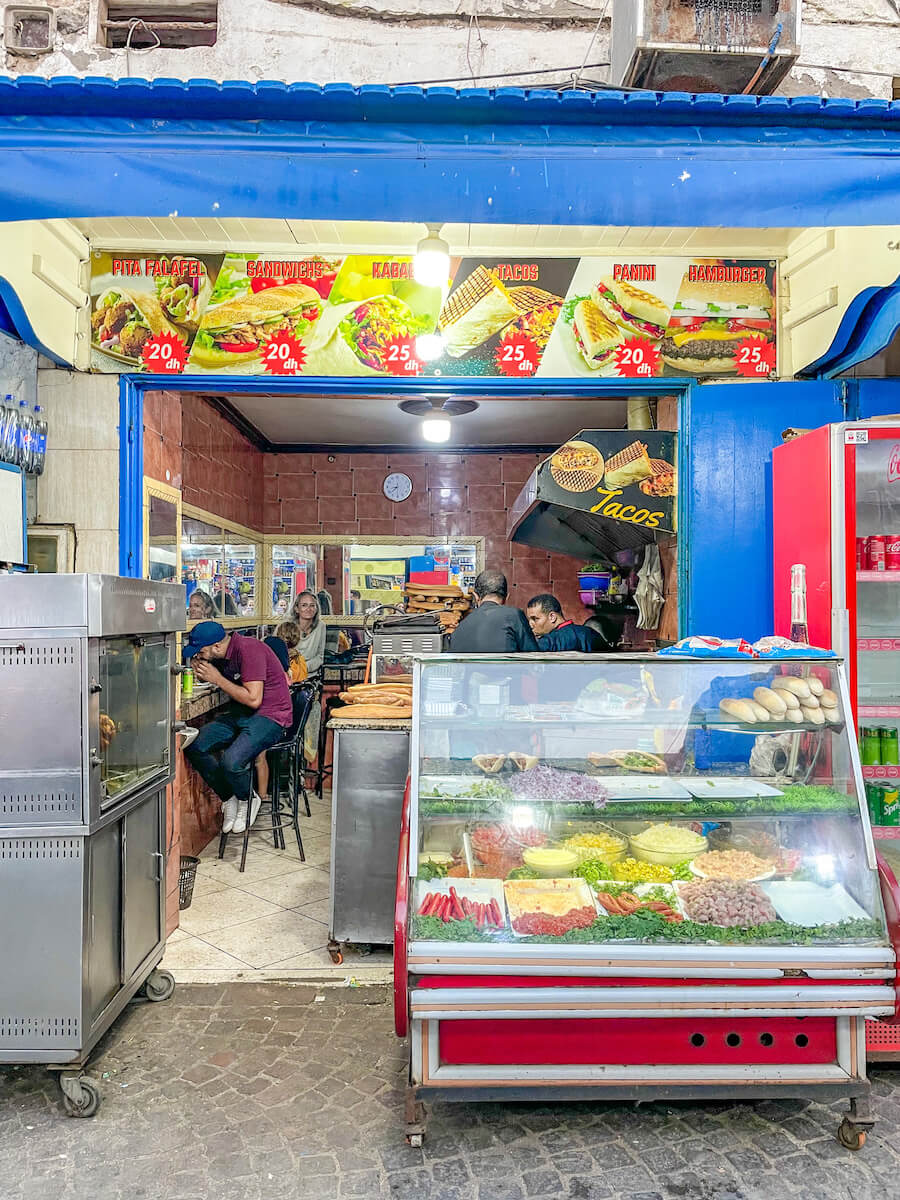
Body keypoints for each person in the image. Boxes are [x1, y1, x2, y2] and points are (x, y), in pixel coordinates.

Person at [183, 621, 292, 835]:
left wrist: (217, 678)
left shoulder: (249, 650)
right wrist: (206, 673)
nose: (198, 656)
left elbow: (253, 699)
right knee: (195, 745)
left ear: (216, 646)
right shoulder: (222, 655)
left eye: (201, 652)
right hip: (243, 714)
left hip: (272, 716)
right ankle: (229, 798)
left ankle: (249, 798)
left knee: (231, 762)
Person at [449, 569, 538, 653]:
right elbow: (534, 657)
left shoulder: (460, 627)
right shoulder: (514, 616)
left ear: (476, 597)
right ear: (507, 597)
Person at [526, 593, 608, 652]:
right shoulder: (590, 633)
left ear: (552, 617)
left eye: (535, 619)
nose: (530, 625)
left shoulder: (547, 642)